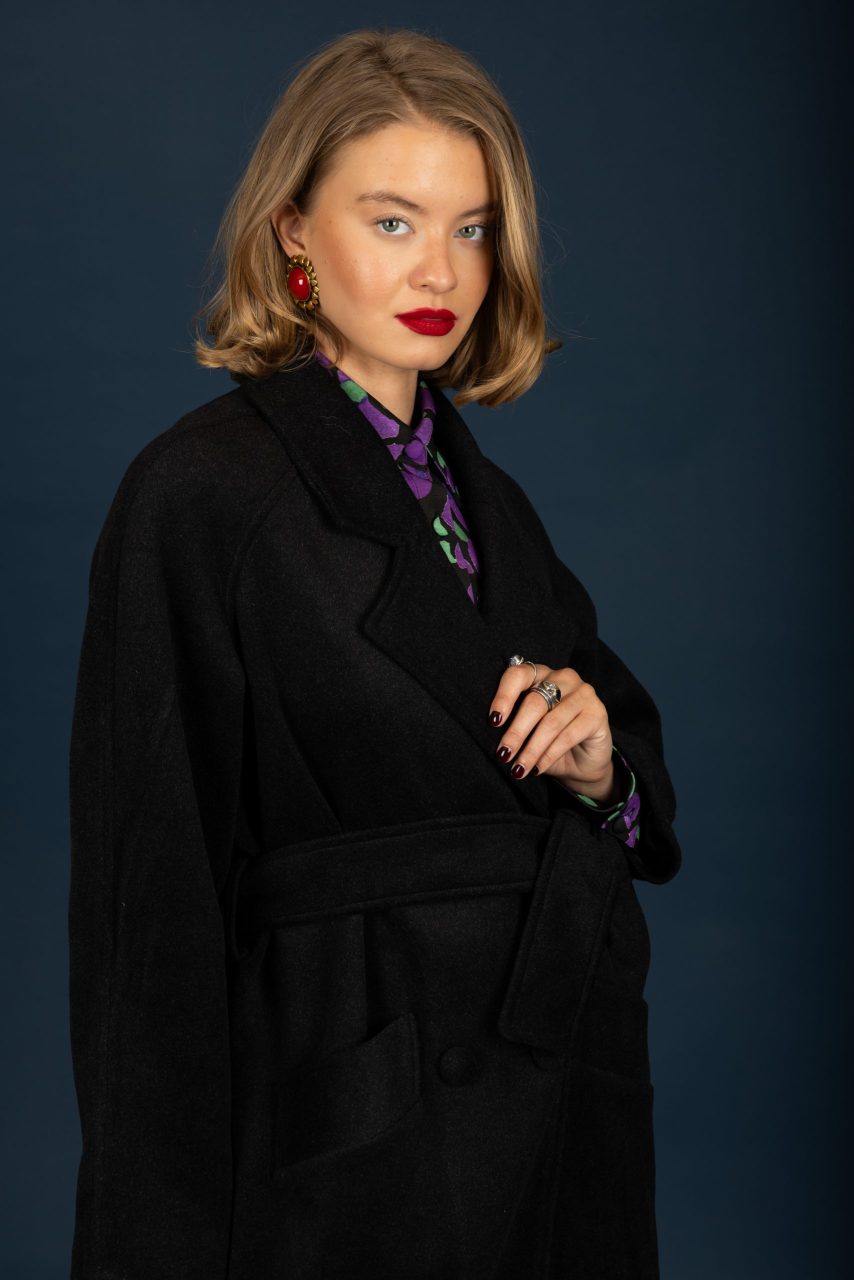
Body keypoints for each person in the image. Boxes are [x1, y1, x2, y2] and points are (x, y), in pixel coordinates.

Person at [68, 26, 682, 1280]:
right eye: (392, 220)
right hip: (357, 1146)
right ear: (292, 230)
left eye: (471, 227)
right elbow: (150, 918)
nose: (440, 270)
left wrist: (598, 764)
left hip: (558, 1096)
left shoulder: (489, 502)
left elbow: (623, 764)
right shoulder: (201, 495)